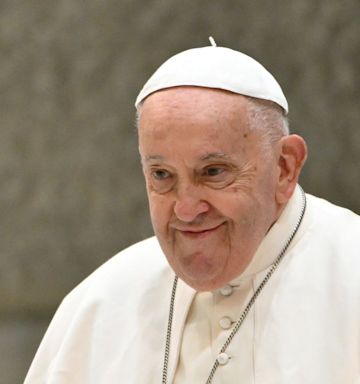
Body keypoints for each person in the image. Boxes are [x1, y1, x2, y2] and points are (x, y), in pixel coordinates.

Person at [24, 39, 360, 384]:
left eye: (213, 171)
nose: (186, 209)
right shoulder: (100, 302)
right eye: (162, 176)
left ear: (285, 167)